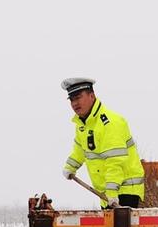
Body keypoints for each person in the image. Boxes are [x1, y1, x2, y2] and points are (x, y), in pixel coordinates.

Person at [61, 77, 145, 208]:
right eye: (72, 99)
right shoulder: (83, 125)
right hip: (106, 193)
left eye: (78, 98)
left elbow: (115, 161)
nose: (74, 103)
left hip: (124, 191)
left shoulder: (110, 123)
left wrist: (112, 192)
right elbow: (79, 149)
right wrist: (70, 167)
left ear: (92, 96)